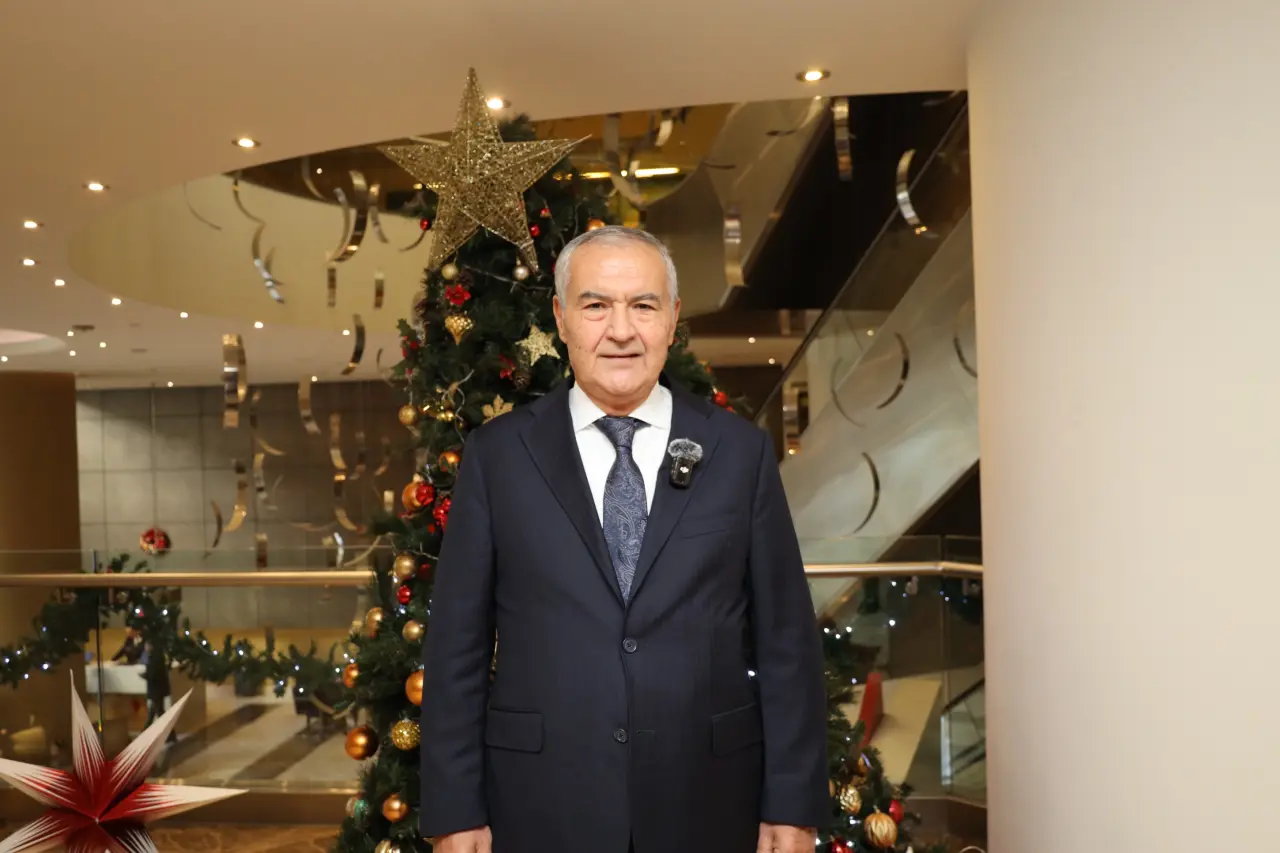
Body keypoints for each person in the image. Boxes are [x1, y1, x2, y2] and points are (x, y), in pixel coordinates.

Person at [420, 226, 828, 853]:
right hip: (540, 802)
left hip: (710, 800)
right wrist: (454, 812)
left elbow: (787, 644)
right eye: (595, 305)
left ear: (672, 319)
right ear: (561, 318)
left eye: (643, 305)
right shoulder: (497, 456)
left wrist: (793, 806)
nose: (621, 330)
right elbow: (457, 649)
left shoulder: (738, 452)